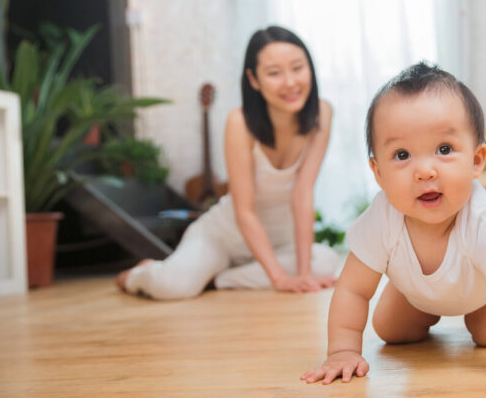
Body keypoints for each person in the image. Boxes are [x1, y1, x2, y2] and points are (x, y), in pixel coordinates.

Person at [301, 63, 486, 395]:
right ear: (378, 172)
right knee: (389, 331)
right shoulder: (382, 216)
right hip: (416, 294)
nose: (425, 170)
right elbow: (353, 290)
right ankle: (413, 293)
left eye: (444, 149)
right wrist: (342, 351)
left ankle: (478, 314)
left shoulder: (483, 217)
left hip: (484, 293)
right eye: (401, 154)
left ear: (477, 160)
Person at [116, 26, 340, 299]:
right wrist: (280, 278)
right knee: (172, 288)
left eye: (297, 68)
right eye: (274, 73)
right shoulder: (240, 123)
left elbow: (303, 193)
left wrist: (304, 273)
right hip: (225, 237)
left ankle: (218, 279)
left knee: (326, 261)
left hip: (280, 241)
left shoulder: (322, 113)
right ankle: (142, 273)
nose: (290, 82)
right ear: (253, 80)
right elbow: (244, 211)